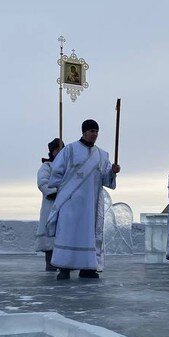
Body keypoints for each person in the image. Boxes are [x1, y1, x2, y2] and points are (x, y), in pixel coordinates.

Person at [47, 119, 120, 280]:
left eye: (96, 131)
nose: (94, 134)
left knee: (89, 234)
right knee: (68, 232)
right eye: (91, 131)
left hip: (91, 203)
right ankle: (64, 267)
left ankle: (88, 268)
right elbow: (56, 173)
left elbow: (106, 179)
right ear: (84, 132)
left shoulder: (102, 155)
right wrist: (64, 191)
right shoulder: (70, 150)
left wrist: (113, 172)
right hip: (71, 201)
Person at [35, 138, 64, 271]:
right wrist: (54, 192)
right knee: (50, 237)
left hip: (66, 206)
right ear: (52, 152)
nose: (59, 152)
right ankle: (50, 264)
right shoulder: (47, 167)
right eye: (57, 149)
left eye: (62, 149)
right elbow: (42, 182)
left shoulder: (68, 168)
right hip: (51, 205)